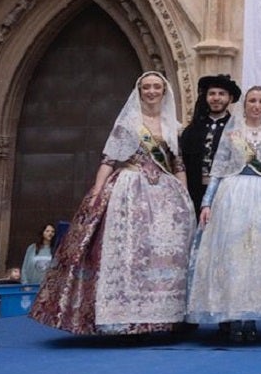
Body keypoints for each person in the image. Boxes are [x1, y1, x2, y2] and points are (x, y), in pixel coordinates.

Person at [30, 71, 194, 335]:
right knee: (128, 251)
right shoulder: (128, 124)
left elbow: (178, 165)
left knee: (159, 254)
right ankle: (122, 317)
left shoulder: (173, 127)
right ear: (139, 91)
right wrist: (96, 192)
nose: (151, 91)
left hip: (165, 194)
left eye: (156, 87)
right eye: (146, 87)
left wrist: (184, 196)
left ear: (164, 92)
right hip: (129, 189)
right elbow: (109, 160)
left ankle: (159, 317)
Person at [186, 86, 261, 342]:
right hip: (233, 196)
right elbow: (218, 170)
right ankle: (232, 317)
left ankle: (251, 318)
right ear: (244, 104)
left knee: (258, 258)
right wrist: (207, 203)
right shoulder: (232, 133)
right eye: (252, 101)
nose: (256, 105)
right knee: (233, 256)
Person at [179, 74, 240, 212]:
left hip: (225, 192)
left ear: (230, 98)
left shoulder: (237, 129)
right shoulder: (192, 129)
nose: (216, 98)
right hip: (195, 191)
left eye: (221, 94)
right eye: (212, 94)